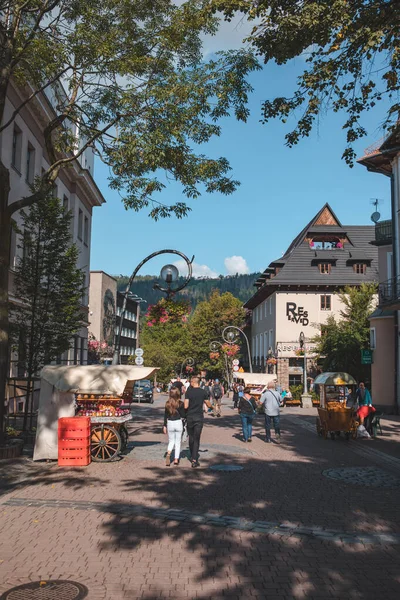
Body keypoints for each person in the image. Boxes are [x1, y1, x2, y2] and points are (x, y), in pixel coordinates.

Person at [184, 376, 211, 468]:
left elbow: (186, 406)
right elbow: (208, 403)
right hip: (199, 417)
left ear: (192, 382)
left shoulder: (189, 392)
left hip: (190, 417)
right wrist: (212, 406)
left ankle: (192, 455)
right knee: (197, 438)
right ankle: (195, 459)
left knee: (191, 437)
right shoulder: (203, 392)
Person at [163, 388, 186, 466]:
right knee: (178, 442)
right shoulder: (181, 404)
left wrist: (164, 425)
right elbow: (183, 415)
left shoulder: (167, 404)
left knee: (171, 441)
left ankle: (169, 453)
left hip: (170, 422)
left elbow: (165, 415)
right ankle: (176, 459)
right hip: (178, 422)